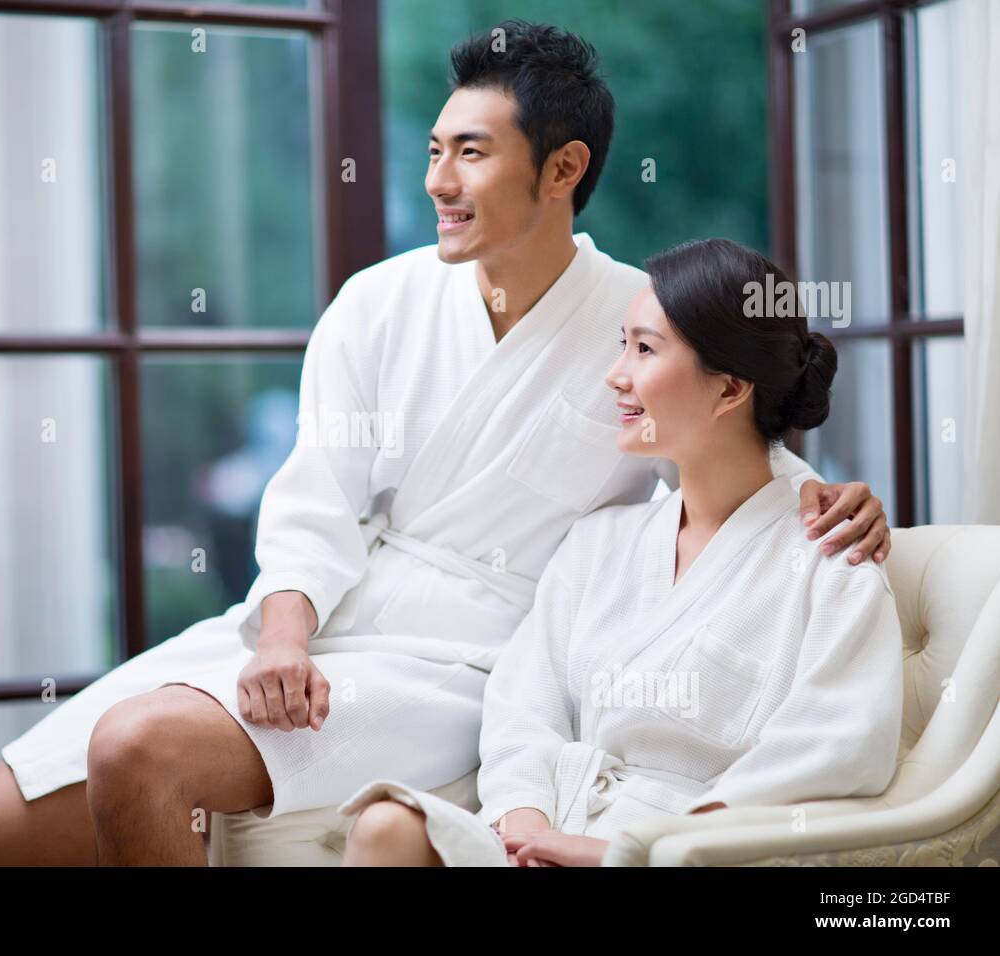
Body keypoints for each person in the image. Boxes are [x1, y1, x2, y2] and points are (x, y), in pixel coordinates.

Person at [0, 21, 891, 867]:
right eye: (434, 150)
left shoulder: (634, 316)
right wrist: (283, 636)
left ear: (564, 169)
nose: (438, 181)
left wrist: (828, 494)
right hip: (328, 618)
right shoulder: (379, 301)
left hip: (467, 664)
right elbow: (315, 500)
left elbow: (725, 438)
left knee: (143, 750)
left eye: (471, 154)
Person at [337, 238, 904, 867]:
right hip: (546, 826)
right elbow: (523, 707)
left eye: (644, 348)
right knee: (386, 827)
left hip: (678, 852)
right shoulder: (599, 541)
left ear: (730, 389)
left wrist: (625, 850)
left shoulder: (832, 561)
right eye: (621, 344)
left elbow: (839, 744)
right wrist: (526, 827)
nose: (615, 374)